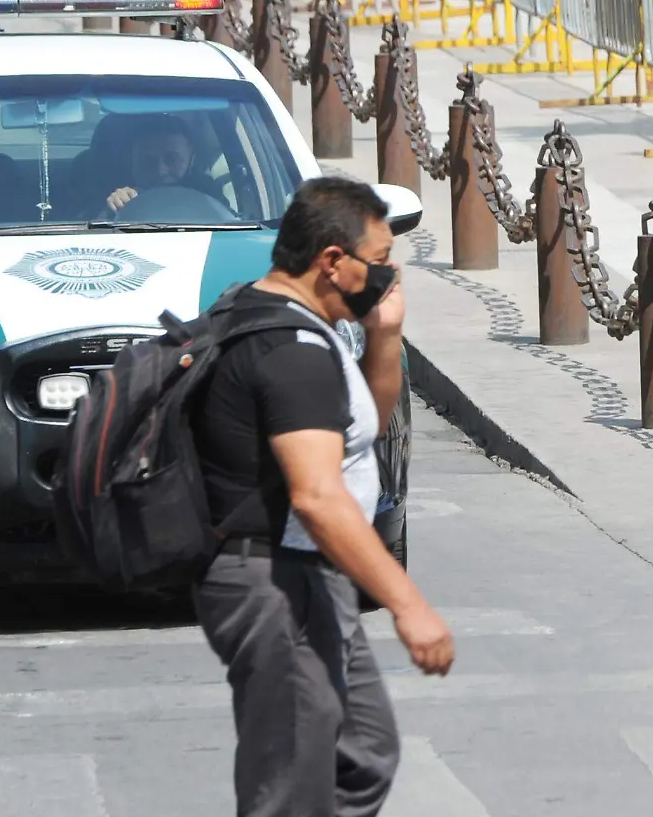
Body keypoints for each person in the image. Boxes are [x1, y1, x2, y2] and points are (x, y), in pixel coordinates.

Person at [191, 178, 454, 817]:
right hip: (275, 579)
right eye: (380, 258)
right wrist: (407, 603)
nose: (389, 272)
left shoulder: (307, 322)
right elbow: (316, 494)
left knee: (361, 749)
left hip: (310, 573)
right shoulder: (289, 350)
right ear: (333, 262)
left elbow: (359, 431)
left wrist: (385, 335)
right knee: (293, 779)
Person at [100, 114, 219, 214]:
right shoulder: (105, 191)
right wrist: (115, 208)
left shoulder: (208, 195)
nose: (160, 171)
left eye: (172, 159)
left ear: (191, 158)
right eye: (148, 160)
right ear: (132, 160)